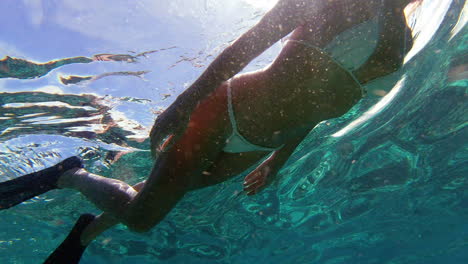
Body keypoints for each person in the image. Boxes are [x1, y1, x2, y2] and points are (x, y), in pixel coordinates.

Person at [0, 0, 419, 263]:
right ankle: (70, 175)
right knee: (145, 216)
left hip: (259, 144)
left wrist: (278, 160)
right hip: (225, 112)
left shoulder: (400, 43)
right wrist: (185, 104)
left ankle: (87, 232)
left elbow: (322, 104)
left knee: (160, 191)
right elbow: (248, 45)